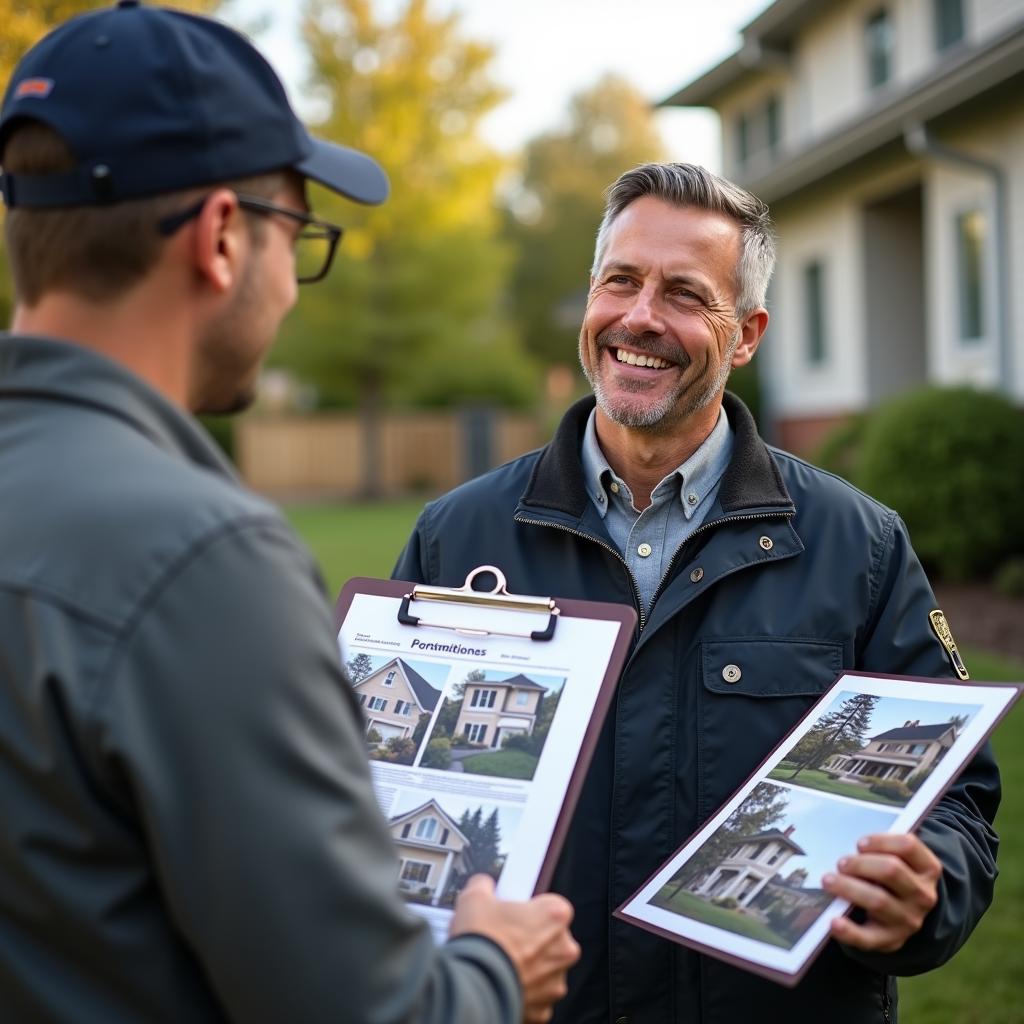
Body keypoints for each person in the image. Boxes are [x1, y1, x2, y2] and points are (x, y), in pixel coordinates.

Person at [0, 3, 578, 1022]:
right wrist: (496, 968)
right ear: (222, 237)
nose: (295, 289)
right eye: (299, 234)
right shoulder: (200, 560)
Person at [393, 162, 1001, 1023]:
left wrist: (925, 891)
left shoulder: (858, 546)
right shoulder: (456, 539)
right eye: (620, 281)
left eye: (684, 293)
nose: (640, 317)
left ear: (746, 334)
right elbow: (370, 786)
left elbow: (956, 802)